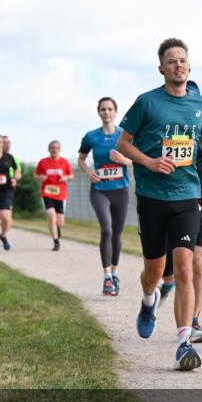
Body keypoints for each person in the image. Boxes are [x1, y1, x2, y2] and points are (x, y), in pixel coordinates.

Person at [116, 37, 202, 372]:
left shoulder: (200, 104)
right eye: (172, 61)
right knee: (153, 272)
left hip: (187, 196)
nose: (178, 65)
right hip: (152, 197)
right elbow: (123, 143)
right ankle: (148, 301)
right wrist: (149, 163)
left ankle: (183, 342)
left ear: (189, 66)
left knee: (185, 268)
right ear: (162, 68)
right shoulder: (146, 103)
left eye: (183, 60)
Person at [158, 83, 202, 344]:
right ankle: (164, 286)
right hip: (171, 202)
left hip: (201, 201)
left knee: (198, 262)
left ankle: (193, 321)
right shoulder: (170, 131)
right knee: (166, 267)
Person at [78, 97, 133, 296]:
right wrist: (88, 172)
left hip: (121, 190)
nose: (107, 113)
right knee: (106, 230)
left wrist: (124, 159)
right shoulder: (91, 136)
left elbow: (137, 161)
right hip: (100, 190)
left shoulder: (124, 136)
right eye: (103, 109)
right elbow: (81, 159)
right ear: (99, 112)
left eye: (110, 109)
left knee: (117, 234)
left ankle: (115, 272)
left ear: (116, 112)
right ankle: (107, 277)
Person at [35, 140, 74, 251]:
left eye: (56, 148)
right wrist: (40, 177)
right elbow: (36, 174)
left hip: (60, 194)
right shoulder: (43, 162)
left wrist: (66, 178)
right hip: (47, 193)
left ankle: (57, 228)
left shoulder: (64, 162)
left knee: (60, 221)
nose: (54, 150)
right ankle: (56, 241)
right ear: (49, 149)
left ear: (59, 149)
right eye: (52, 148)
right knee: (51, 215)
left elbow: (71, 175)